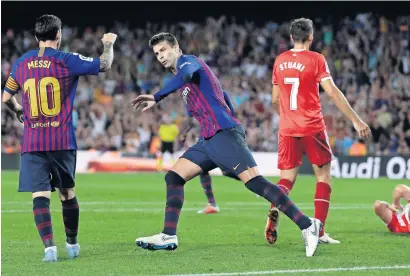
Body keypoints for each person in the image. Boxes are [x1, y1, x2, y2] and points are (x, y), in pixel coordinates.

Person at [132, 32, 322, 257]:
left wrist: (157, 96)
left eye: (163, 50)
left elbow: (187, 73)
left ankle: (308, 225)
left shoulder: (187, 62)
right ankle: (168, 235)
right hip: (209, 138)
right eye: (156, 54)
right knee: (174, 177)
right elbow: (222, 95)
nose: (160, 56)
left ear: (176, 47)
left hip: (223, 134)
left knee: (256, 184)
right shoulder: (185, 81)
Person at [2, 14, 117, 262]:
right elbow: (104, 64)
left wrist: (18, 109)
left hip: (33, 142)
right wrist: (108, 43)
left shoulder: (21, 63)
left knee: (39, 196)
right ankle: (72, 245)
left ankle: (49, 249)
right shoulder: (67, 60)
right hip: (61, 140)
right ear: (58, 35)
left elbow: (6, 97)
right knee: (67, 193)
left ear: (36, 38)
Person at [267, 17, 372, 245]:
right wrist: (356, 120)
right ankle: (320, 231)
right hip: (312, 126)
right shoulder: (316, 59)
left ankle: (274, 207)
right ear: (311, 37)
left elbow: (275, 99)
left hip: (287, 127)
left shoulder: (280, 60)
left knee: (286, 179)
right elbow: (332, 92)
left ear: (291, 37)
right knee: (323, 177)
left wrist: (287, 117)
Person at [179, 92, 240, 214]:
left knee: (226, 170)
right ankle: (212, 204)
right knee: (202, 168)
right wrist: (186, 132)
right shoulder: (190, 96)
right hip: (206, 135)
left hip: (219, 134)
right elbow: (192, 119)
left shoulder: (219, 93)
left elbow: (231, 113)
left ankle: (256, 182)